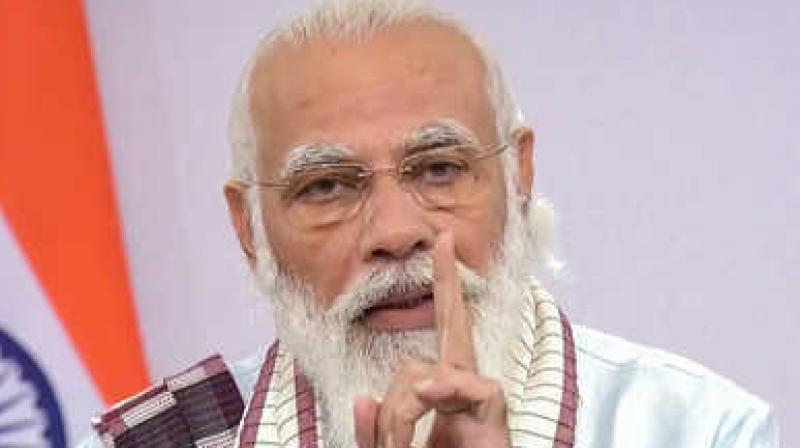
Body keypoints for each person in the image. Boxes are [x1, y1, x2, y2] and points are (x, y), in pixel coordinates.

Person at [82, 1, 780, 447]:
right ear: (249, 228)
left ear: (518, 177)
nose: (395, 232)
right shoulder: (151, 443)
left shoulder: (700, 429)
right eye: (327, 186)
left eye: (439, 169)